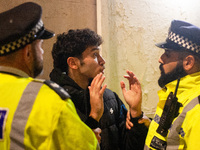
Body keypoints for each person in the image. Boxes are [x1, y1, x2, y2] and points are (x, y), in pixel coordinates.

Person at [0, 2, 104, 150]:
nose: (42, 53)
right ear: (27, 51)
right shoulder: (47, 99)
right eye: (40, 45)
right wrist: (93, 124)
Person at [49, 28, 148, 150]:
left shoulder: (109, 98)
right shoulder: (55, 103)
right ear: (73, 63)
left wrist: (135, 112)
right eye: (95, 55)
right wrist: (94, 116)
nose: (102, 61)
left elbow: (131, 147)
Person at [125, 20, 200, 150]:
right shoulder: (176, 94)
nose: (160, 59)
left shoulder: (196, 110)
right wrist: (138, 115)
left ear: (188, 62)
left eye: (167, 54)